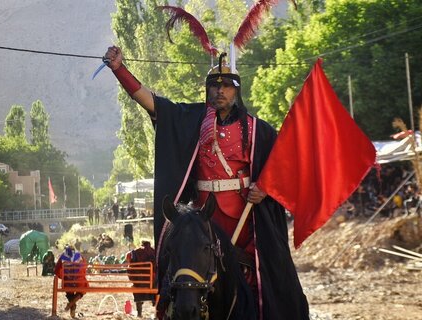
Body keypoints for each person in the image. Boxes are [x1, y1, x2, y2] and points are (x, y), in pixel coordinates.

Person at [103, 45, 309, 319]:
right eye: (214, 85)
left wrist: (266, 189)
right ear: (207, 89)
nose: (220, 91)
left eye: (227, 86)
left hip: (247, 223)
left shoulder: (260, 130)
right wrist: (119, 69)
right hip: (204, 223)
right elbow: (152, 102)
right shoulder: (190, 120)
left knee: (272, 283)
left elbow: (284, 168)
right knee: (182, 274)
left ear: (237, 91)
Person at [55, 245, 88, 318]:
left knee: (68, 288)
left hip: (68, 283)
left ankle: (72, 304)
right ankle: (72, 303)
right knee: (83, 287)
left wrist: (63, 276)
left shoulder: (63, 256)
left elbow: (57, 270)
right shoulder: (79, 255)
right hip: (79, 282)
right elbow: (84, 268)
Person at [126, 240, 156, 318]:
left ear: (141, 244)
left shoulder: (135, 252)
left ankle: (139, 314)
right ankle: (157, 312)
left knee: (136, 287)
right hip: (153, 284)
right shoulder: (154, 252)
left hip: (139, 283)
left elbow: (130, 268)